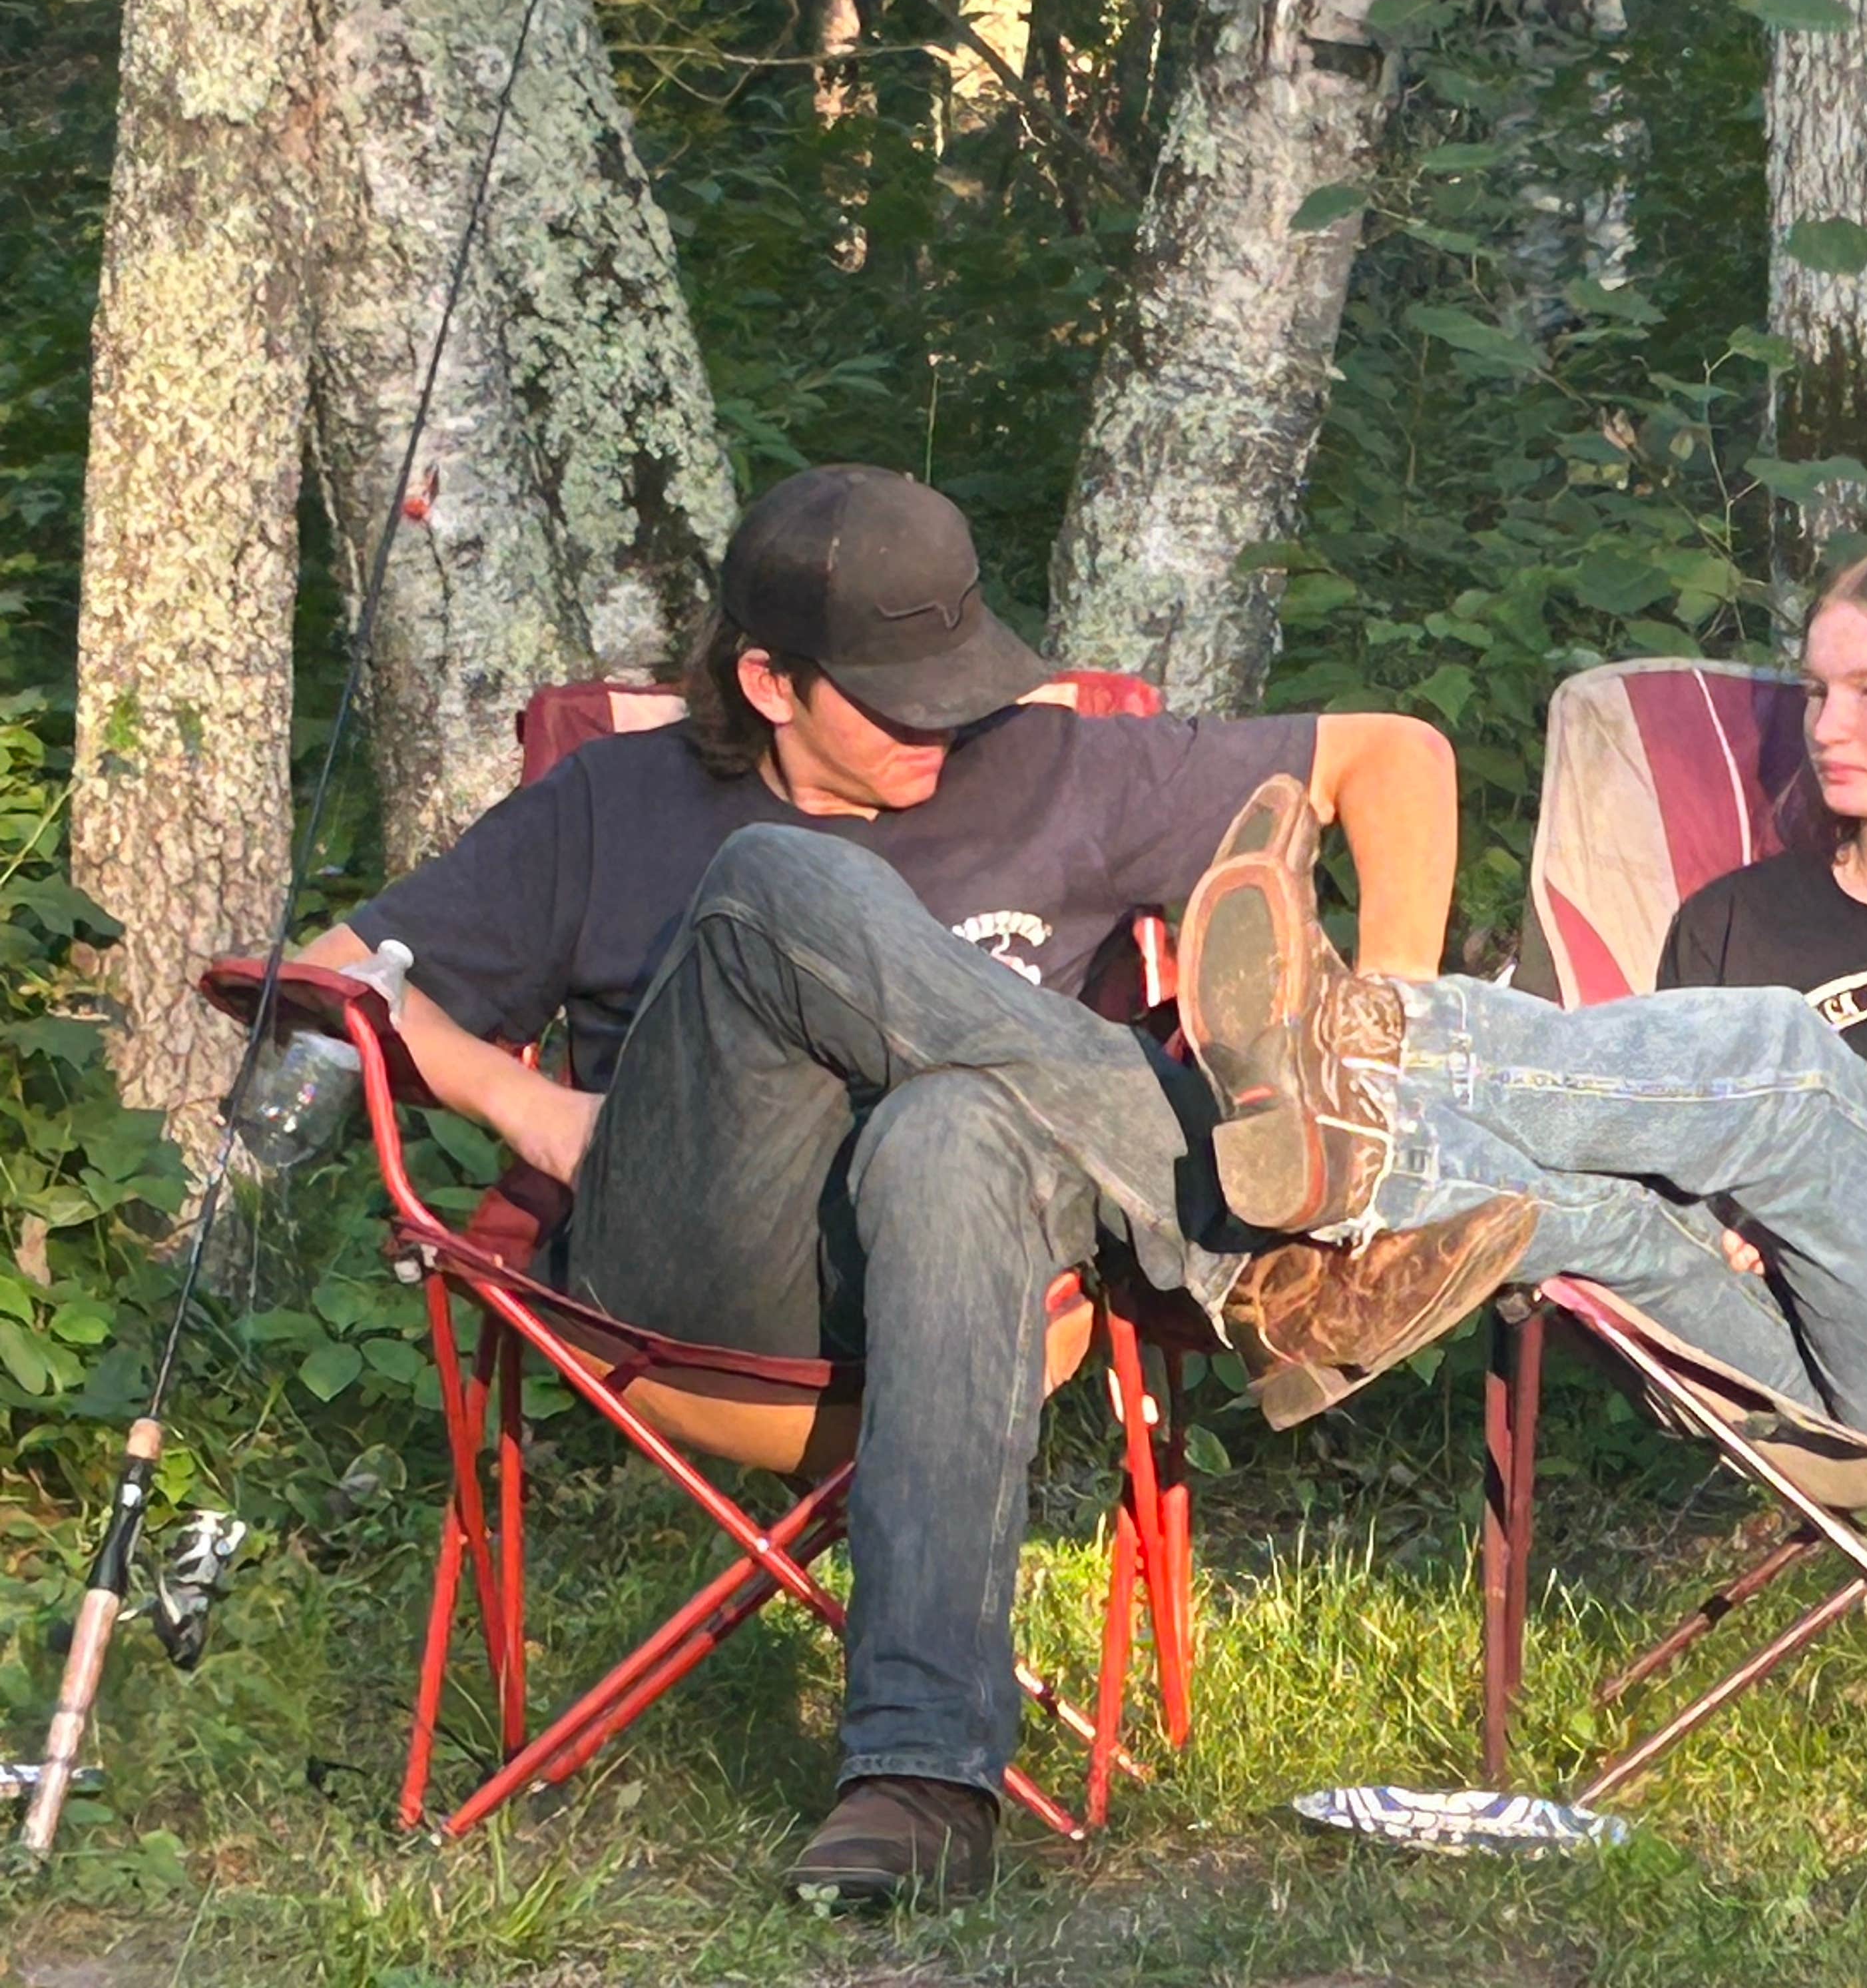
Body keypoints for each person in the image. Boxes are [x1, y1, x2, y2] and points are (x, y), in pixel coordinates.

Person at [290, 465, 1532, 1906]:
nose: (944, 725)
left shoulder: (1042, 764)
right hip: (690, 1262)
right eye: (899, 697)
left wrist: (1385, 1019)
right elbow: (329, 977)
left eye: (964, 680)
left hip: (975, 1277)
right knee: (776, 880)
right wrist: (532, 1107)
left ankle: (921, 1780)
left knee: (948, 1130)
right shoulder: (617, 806)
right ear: (768, 680)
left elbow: (1395, 756)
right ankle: (1260, 1247)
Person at [1175, 533, 1867, 1437]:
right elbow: (1652, 1162)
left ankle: (1368, 1035)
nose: (1827, 727)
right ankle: (1367, 1176)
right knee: (1598, 1211)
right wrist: (1750, 1212)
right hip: (1763, 1351)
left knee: (1788, 1064)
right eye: (1816, 692)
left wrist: (1834, 1188)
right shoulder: (1737, 918)